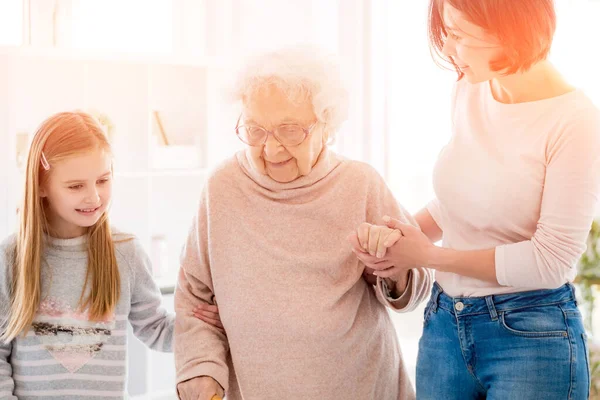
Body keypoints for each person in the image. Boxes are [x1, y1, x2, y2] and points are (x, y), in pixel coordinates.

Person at [351, 1, 600, 399]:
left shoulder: (575, 122)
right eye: (445, 32)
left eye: (460, 35)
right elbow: (461, 202)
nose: (448, 49)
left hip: (531, 334)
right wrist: (397, 239)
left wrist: (427, 257)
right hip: (445, 326)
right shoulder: (471, 86)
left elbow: (550, 261)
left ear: (511, 30)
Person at [174, 46, 433, 400]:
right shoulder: (222, 188)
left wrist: (391, 268)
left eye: (290, 131)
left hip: (360, 386)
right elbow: (193, 296)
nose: (272, 149)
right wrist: (202, 368)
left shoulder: (360, 184)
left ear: (326, 125)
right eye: (256, 131)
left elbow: (416, 283)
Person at [0, 111, 174, 399]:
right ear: (41, 185)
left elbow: (156, 328)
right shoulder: (10, 258)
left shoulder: (126, 252)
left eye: (103, 180)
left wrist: (215, 322)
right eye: (76, 186)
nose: (93, 197)